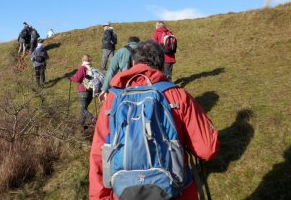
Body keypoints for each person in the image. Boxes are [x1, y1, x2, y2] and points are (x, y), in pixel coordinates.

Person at [89, 40, 219, 200]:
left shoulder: (112, 99)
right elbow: (207, 150)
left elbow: (98, 153)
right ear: (161, 64)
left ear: (133, 62)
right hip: (176, 192)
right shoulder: (178, 95)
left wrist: (100, 197)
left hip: (124, 192)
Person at [98, 36, 140, 102]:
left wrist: (104, 89)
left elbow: (111, 71)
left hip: (124, 86)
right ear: (138, 42)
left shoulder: (121, 51)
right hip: (141, 86)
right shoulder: (145, 51)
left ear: (128, 43)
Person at [70, 55, 95, 130]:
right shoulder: (92, 68)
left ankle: (92, 118)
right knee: (83, 109)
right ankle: (81, 125)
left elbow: (77, 79)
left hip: (83, 91)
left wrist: (71, 78)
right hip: (91, 92)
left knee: (83, 109)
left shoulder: (83, 68)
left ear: (83, 60)